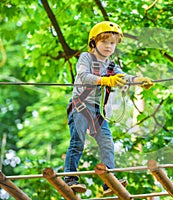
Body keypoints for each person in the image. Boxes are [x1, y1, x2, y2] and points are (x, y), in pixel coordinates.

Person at [63, 21, 153, 195]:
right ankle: (70, 178)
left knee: (107, 143)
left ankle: (108, 181)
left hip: (98, 112)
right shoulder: (86, 58)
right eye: (104, 42)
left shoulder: (111, 65)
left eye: (112, 43)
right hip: (80, 106)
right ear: (93, 43)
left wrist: (139, 80)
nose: (108, 46)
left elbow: (124, 77)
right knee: (77, 141)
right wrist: (104, 80)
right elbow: (82, 76)